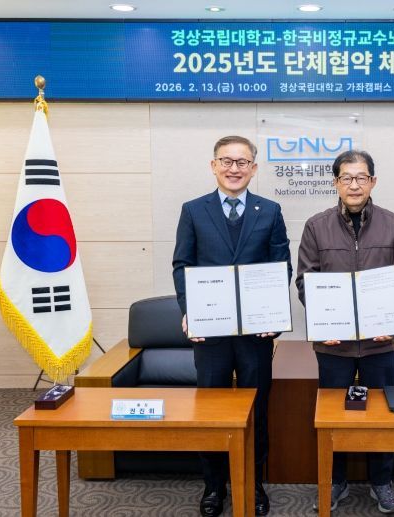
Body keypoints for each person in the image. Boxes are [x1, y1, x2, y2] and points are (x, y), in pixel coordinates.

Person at [172, 135, 290, 517]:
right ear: (214, 166)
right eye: (226, 161)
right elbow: (182, 265)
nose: (234, 168)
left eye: (242, 162)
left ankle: (253, 482)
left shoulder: (270, 211)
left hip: (255, 334)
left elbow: (281, 266)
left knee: (257, 409)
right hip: (210, 332)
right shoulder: (193, 210)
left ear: (254, 168)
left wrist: (274, 314)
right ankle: (213, 486)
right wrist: (189, 310)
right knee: (211, 411)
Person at [296, 150, 394, 514]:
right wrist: (323, 322)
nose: (354, 185)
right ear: (335, 183)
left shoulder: (393, 223)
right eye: (346, 178)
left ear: (372, 182)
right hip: (334, 344)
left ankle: (382, 482)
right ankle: (336, 480)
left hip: (380, 342)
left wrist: (389, 319)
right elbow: (305, 280)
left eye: (361, 177)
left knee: (382, 413)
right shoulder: (316, 226)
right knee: (335, 415)